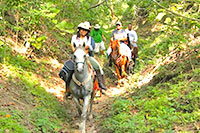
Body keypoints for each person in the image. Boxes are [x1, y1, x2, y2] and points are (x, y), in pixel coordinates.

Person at [60, 21, 107, 98]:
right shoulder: (74, 37)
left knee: (97, 67)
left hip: (86, 56)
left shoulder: (88, 38)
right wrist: (76, 53)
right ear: (79, 29)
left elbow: (87, 49)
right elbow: (72, 46)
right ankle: (68, 90)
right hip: (75, 56)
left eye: (85, 30)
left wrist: (83, 54)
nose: (84, 31)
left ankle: (100, 87)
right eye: (82, 29)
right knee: (68, 70)